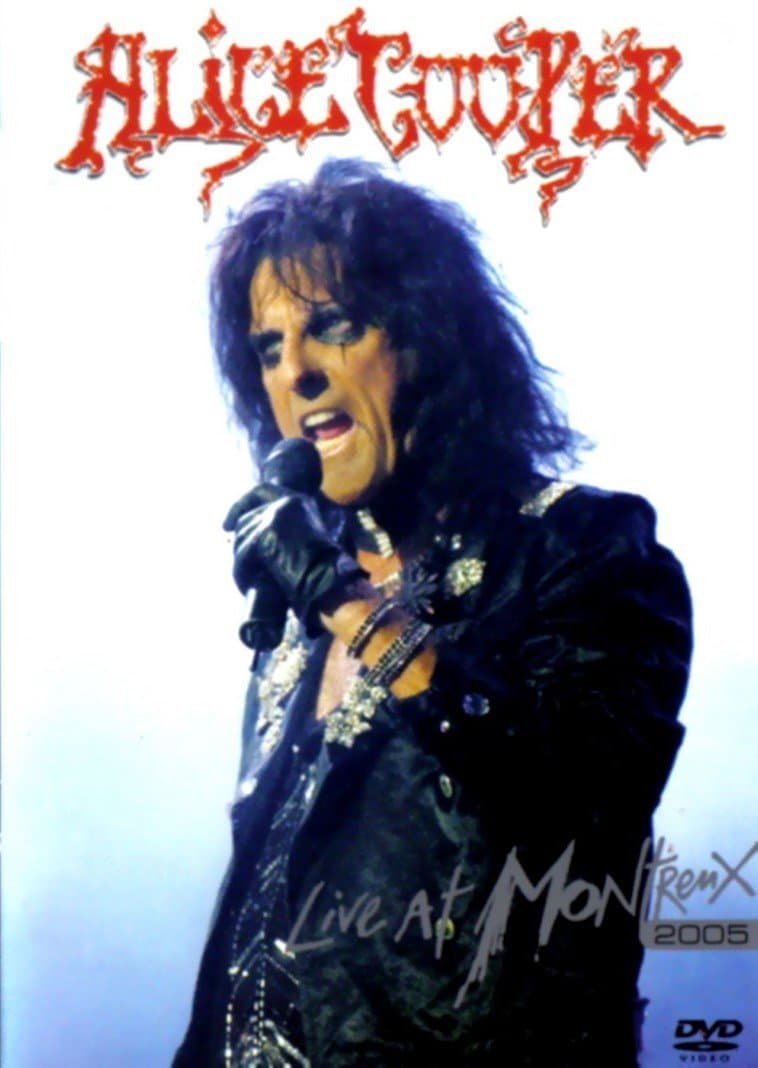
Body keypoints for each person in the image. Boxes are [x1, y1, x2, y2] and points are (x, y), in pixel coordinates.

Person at [173, 159, 692, 1067]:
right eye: (267, 348)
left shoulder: (584, 550)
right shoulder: (301, 610)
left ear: (426, 339)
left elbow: (569, 817)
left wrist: (345, 603)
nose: (295, 372)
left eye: (333, 327)